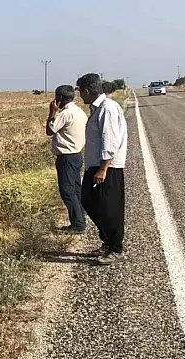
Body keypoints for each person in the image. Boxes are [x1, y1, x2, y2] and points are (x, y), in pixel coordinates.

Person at [76, 73, 128, 265]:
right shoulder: (97, 109)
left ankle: (115, 249)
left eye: (81, 92)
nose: (80, 96)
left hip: (107, 167)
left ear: (87, 91)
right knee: (89, 201)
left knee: (110, 209)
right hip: (96, 166)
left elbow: (110, 140)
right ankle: (107, 241)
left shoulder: (108, 109)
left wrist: (103, 168)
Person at [46, 85, 88, 234]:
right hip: (77, 155)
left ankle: (78, 224)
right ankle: (81, 217)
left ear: (60, 98)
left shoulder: (65, 114)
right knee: (76, 189)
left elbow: (49, 131)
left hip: (66, 157)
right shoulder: (79, 111)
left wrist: (52, 113)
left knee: (67, 191)